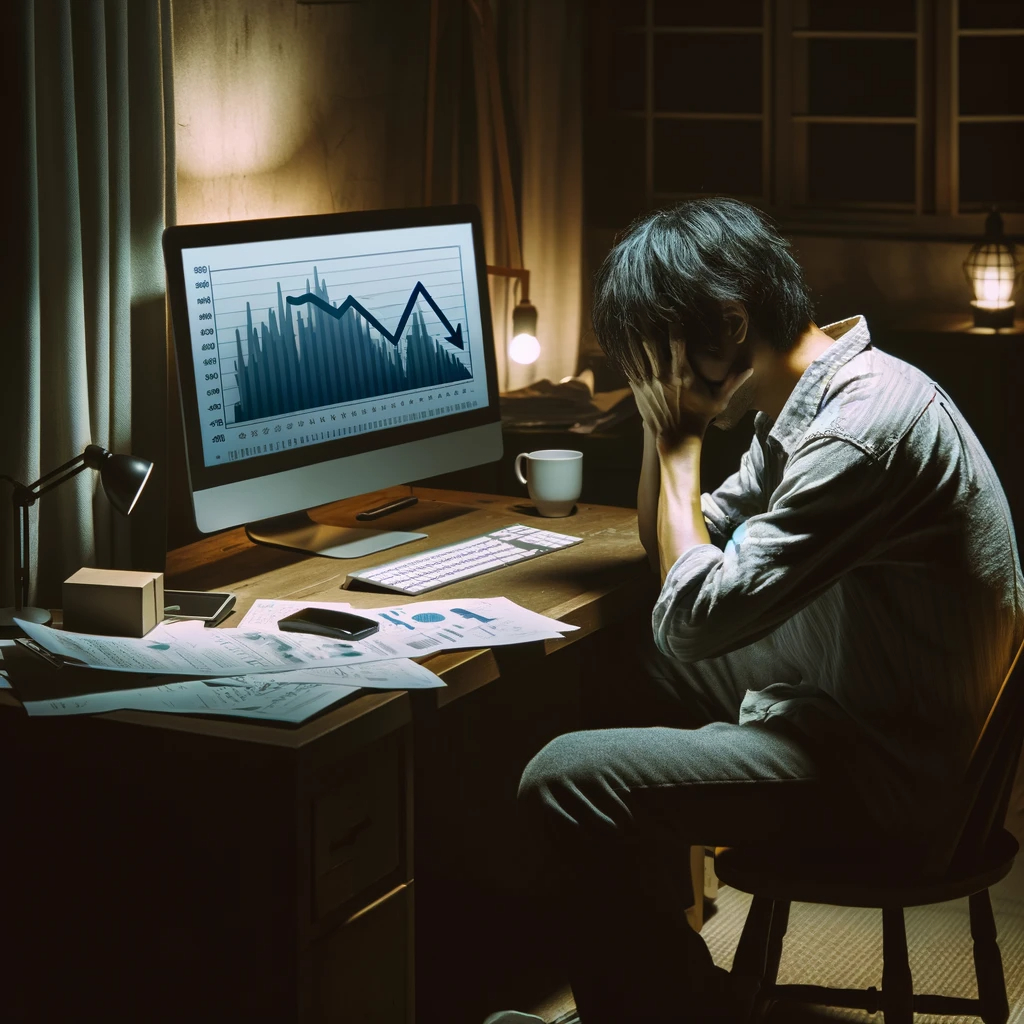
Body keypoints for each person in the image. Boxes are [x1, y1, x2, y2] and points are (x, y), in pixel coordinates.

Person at [501, 198, 1024, 1024]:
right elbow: (687, 536)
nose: (653, 382)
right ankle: (662, 987)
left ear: (730, 326)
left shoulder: (859, 433)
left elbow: (694, 617)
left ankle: (676, 1006)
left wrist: (678, 442)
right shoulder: (816, 400)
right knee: (616, 659)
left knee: (561, 780)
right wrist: (658, 424)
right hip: (862, 704)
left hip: (893, 780)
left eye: (654, 359)